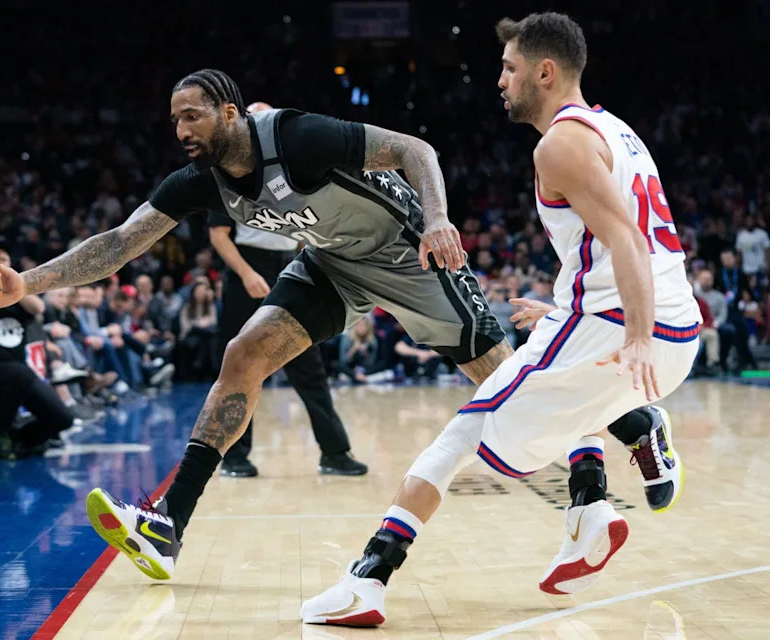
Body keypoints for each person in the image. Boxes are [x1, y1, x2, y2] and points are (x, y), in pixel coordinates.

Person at [0, 67, 681, 583]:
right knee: (243, 354)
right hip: (333, 262)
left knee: (505, 381)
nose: (181, 130)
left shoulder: (296, 137)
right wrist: (25, 284)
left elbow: (416, 151)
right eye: (174, 119)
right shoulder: (201, 181)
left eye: (193, 115)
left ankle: (635, 424)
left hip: (409, 252)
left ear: (229, 112)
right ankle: (167, 524)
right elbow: (118, 243)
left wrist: (439, 220)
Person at [300, 13, 702, 626]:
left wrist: (635, 336)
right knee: (562, 400)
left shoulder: (559, 144)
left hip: (628, 332)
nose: (500, 81)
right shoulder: (616, 130)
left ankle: (367, 582)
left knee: (457, 438)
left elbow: (627, 239)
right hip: (669, 330)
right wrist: (571, 310)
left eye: (510, 69)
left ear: (546, 72)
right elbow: (625, 241)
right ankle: (590, 511)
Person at [208, 99, 365, 477]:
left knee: (308, 365)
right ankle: (233, 457)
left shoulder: (291, 170)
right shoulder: (228, 172)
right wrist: (246, 274)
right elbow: (218, 234)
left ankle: (335, 452)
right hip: (246, 269)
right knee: (240, 369)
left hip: (286, 267)